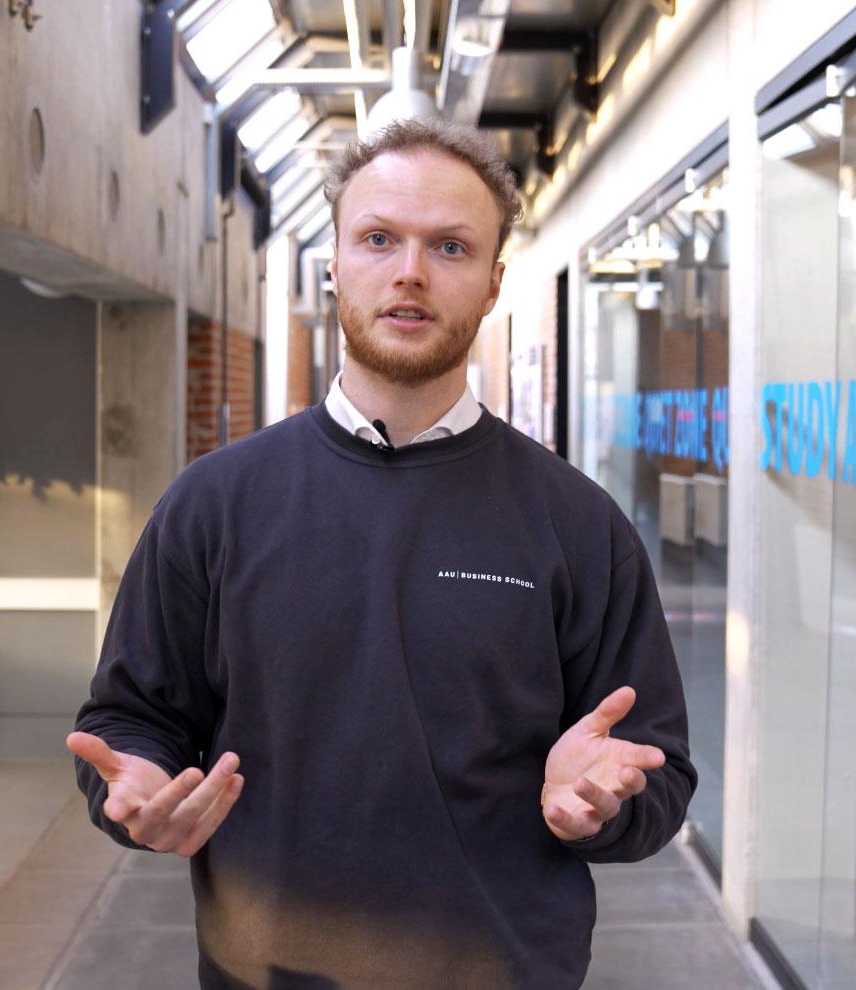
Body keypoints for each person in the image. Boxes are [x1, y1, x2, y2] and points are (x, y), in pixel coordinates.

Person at [67, 118, 695, 989]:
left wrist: (601, 807)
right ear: (334, 264)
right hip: (267, 973)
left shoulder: (579, 523)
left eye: (450, 246)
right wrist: (134, 787)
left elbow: (659, 771)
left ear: (493, 283)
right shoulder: (213, 504)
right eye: (377, 239)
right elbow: (128, 719)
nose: (410, 272)